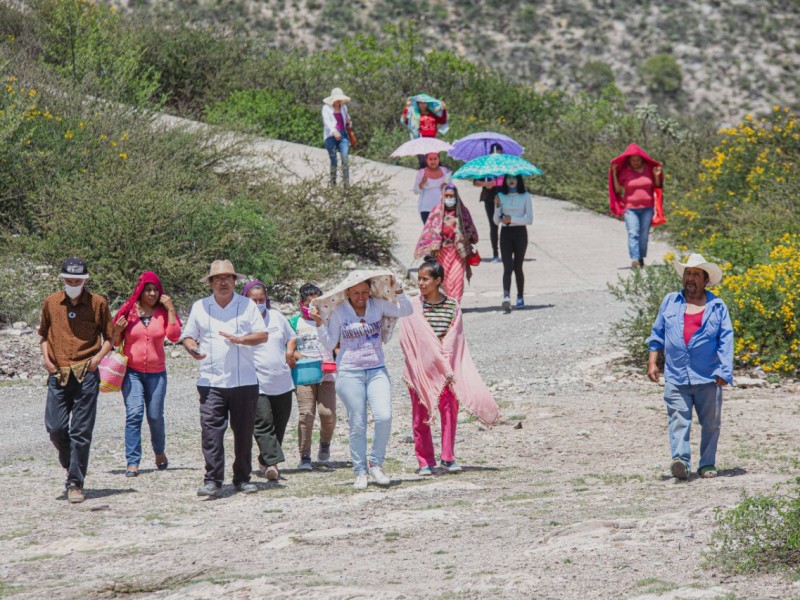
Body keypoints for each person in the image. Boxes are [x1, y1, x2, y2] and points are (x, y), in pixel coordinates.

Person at [309, 270, 413, 490]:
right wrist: (319, 323)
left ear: (370, 290)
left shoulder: (377, 305)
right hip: (349, 372)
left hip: (376, 369)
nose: (360, 297)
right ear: (348, 292)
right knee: (358, 422)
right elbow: (329, 345)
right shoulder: (339, 312)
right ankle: (360, 471)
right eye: (356, 292)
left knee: (384, 416)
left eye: (365, 292)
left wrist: (400, 289)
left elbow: (406, 309)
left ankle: (376, 463)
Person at [399, 256, 499, 476]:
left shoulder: (452, 305)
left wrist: (444, 363)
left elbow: (456, 339)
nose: (421, 283)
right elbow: (408, 338)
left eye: (425, 279)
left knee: (449, 411)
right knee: (420, 415)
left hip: (446, 370)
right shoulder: (412, 306)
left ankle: (448, 456)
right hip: (420, 369)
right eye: (419, 279)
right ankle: (424, 460)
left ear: (438, 280)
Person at [181, 260, 268, 497]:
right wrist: (192, 349)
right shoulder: (200, 306)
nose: (223, 282)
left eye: (228, 278)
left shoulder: (247, 305)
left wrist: (241, 339)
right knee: (211, 432)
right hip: (210, 381)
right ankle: (212, 480)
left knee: (243, 433)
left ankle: (242, 478)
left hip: (244, 381)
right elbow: (188, 336)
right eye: (218, 279)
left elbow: (262, 335)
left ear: (235, 281)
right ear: (210, 283)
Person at [646, 254, 733, 481]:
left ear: (706, 280)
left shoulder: (717, 306)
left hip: (708, 377)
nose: (690, 278)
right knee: (678, 419)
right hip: (676, 375)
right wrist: (653, 361)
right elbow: (657, 333)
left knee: (711, 424)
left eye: (696, 274)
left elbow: (726, 338)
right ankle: (681, 462)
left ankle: (707, 464)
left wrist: (725, 370)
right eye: (688, 273)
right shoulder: (670, 301)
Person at [39, 257, 114, 503]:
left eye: (77, 280)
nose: (73, 283)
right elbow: (42, 335)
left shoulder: (98, 303)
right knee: (55, 427)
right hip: (58, 372)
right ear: (63, 279)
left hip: (86, 372)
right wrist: (46, 360)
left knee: (82, 431)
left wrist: (97, 360)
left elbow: (110, 339)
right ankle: (68, 457)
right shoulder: (50, 302)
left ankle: (75, 482)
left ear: (85, 280)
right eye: (69, 279)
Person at [111, 271, 182, 478]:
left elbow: (174, 336)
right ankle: (132, 461)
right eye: (148, 289)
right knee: (134, 415)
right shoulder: (128, 311)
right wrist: (116, 331)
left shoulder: (162, 312)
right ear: (140, 291)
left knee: (154, 416)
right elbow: (115, 344)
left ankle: (159, 452)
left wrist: (170, 308)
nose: (151, 293)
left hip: (157, 373)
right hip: (131, 373)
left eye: (155, 290)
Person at [243, 279, 297, 481]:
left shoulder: (276, 317)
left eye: (261, 299)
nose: (258, 303)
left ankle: (265, 459)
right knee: (263, 422)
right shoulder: (242, 322)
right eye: (253, 300)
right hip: (257, 382)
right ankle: (273, 463)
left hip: (282, 380)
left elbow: (291, 337)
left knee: (279, 425)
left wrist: (290, 351)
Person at [288, 283, 337, 471]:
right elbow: (288, 347)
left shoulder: (330, 320)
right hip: (304, 373)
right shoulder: (293, 323)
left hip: (326, 373)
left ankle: (325, 443)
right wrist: (301, 357)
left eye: (316, 304)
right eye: (308, 304)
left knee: (328, 414)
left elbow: (337, 343)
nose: (312, 308)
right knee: (306, 414)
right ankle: (305, 456)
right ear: (301, 303)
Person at [414, 184, 479, 303]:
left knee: (458, 279)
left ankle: (455, 304)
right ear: (442, 196)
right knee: (446, 280)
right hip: (442, 253)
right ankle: (449, 303)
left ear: (457, 197)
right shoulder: (436, 211)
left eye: (452, 196)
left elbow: (472, 231)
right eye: (447, 196)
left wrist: (464, 236)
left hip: (458, 253)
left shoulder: (463, 212)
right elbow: (429, 231)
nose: (449, 198)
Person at [609, 143, 664, 269]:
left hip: (647, 208)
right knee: (633, 233)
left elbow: (657, 186)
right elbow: (617, 190)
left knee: (644, 234)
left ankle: (640, 257)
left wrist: (656, 176)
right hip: (630, 208)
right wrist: (613, 174)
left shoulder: (649, 171)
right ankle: (634, 258)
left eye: (638, 160)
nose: (635, 162)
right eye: (633, 160)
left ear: (642, 160)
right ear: (629, 161)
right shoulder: (625, 173)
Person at [494, 174, 533, 312]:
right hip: (505, 233)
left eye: (514, 178)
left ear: (518, 180)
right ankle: (506, 296)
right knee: (507, 266)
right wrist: (497, 206)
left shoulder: (525, 196)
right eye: (509, 178)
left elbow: (529, 219)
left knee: (518, 266)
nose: (511, 180)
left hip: (520, 233)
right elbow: (496, 221)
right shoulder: (500, 195)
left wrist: (512, 219)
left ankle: (520, 296)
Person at [472, 143, 504, 263]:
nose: (498, 156)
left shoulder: (506, 167)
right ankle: (495, 253)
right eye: (496, 154)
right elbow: (475, 182)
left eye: (500, 154)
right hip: (489, 197)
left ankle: (507, 251)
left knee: (506, 225)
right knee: (493, 225)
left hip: (504, 198)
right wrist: (486, 184)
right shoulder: (485, 167)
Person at [401, 95, 448, 168]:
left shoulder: (432, 114)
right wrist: (407, 107)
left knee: (436, 162)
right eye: (421, 103)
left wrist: (444, 109)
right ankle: (423, 178)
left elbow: (442, 120)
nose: (423, 105)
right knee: (423, 163)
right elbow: (405, 121)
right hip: (421, 140)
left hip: (432, 141)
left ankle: (437, 178)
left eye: (425, 103)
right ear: (418, 104)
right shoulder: (415, 115)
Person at [322, 87, 352, 186]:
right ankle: (333, 182)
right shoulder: (326, 108)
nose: (338, 101)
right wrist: (334, 131)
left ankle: (346, 185)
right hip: (331, 135)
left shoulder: (344, 108)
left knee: (345, 159)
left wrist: (349, 122)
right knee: (333, 159)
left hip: (343, 134)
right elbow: (327, 122)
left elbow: (348, 122)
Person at [413, 152, 451, 224]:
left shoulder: (446, 171)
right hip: (426, 209)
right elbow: (415, 191)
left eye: (435, 159)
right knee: (430, 233)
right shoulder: (421, 172)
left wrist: (446, 187)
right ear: (426, 160)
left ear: (439, 159)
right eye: (430, 159)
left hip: (443, 208)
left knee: (441, 233)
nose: (433, 161)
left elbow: (452, 190)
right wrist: (422, 183)